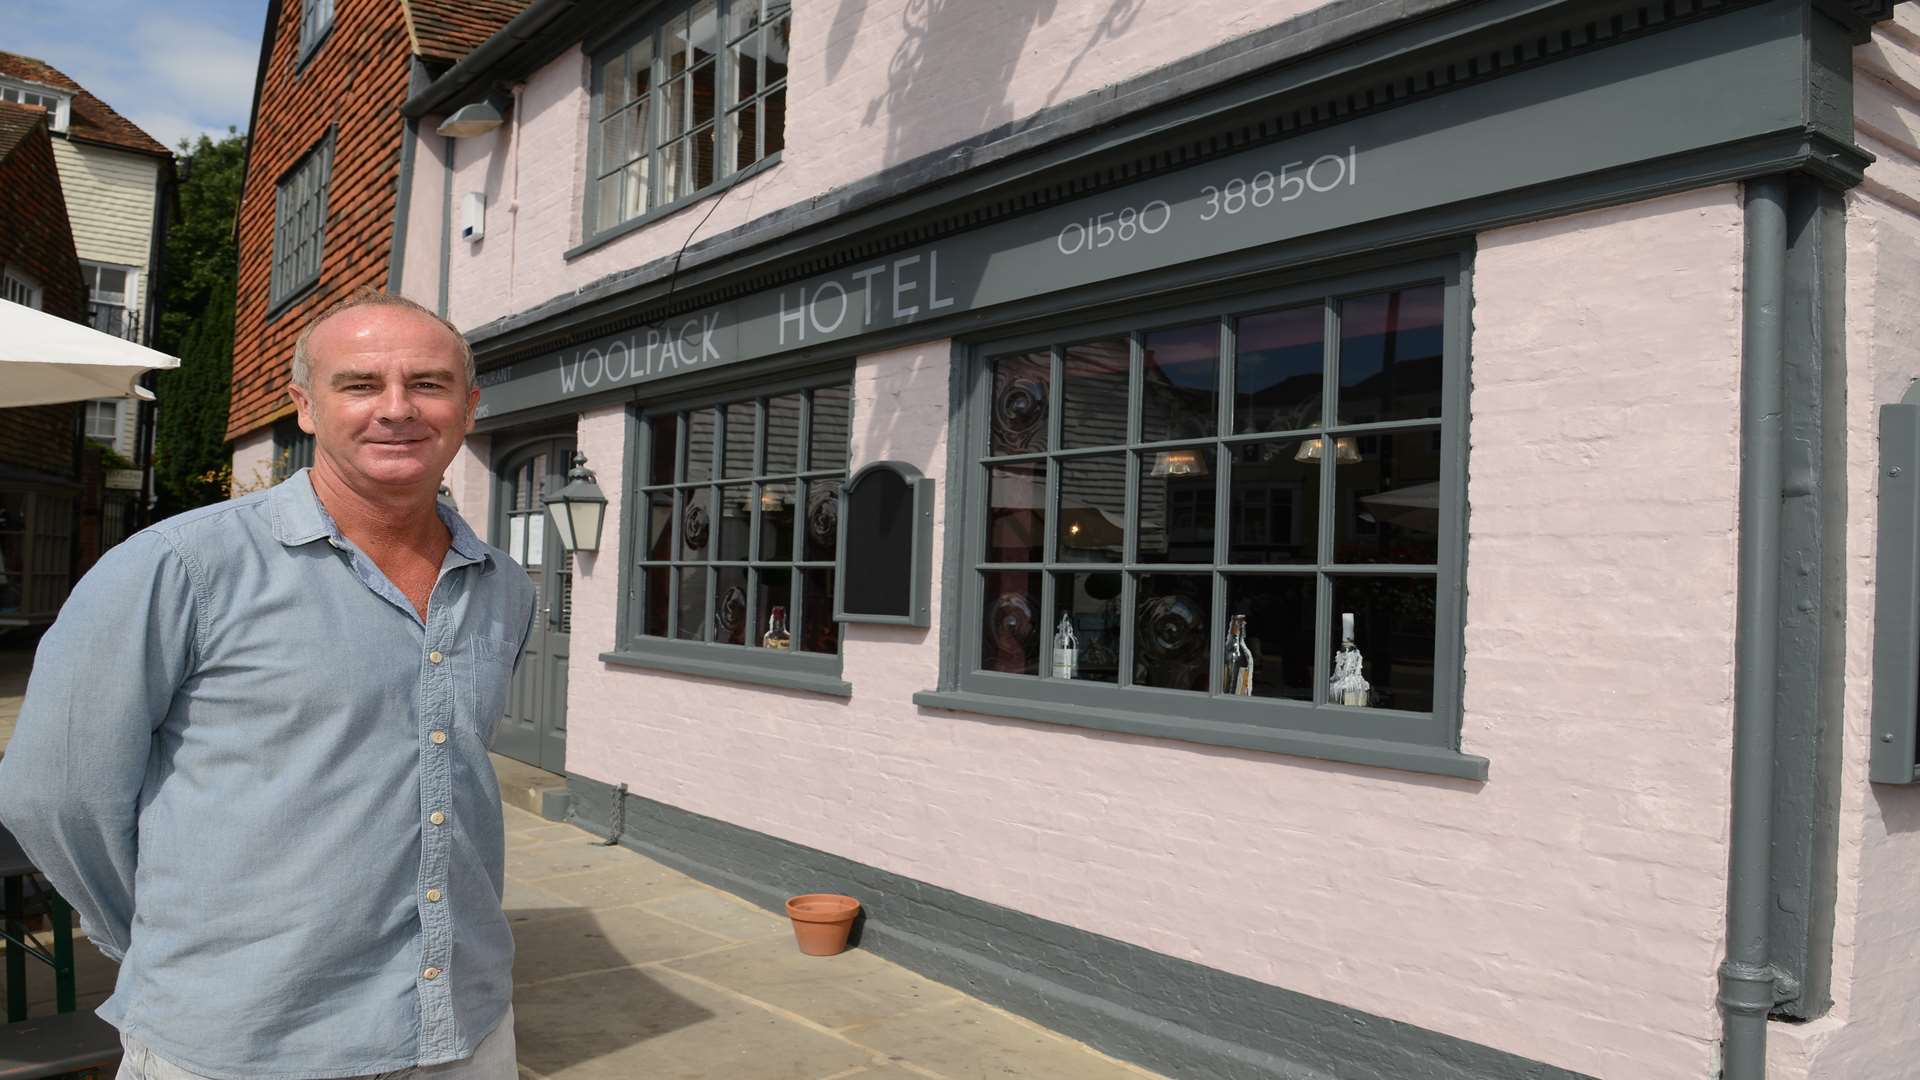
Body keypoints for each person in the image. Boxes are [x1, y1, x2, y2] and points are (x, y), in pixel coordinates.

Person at [0, 290, 534, 1080]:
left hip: (465, 1024)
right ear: (305, 407)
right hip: (244, 1040)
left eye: (428, 383)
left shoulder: (503, 587)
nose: (397, 409)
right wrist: (167, 939)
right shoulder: (178, 569)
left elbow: (448, 777)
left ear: (468, 406)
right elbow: (58, 796)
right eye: (359, 385)